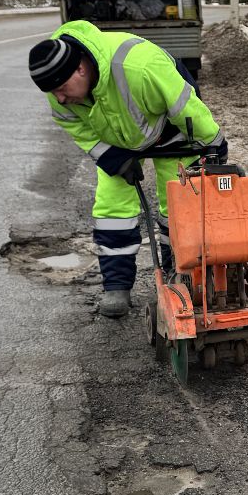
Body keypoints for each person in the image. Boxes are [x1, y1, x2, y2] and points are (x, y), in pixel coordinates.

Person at [28, 20, 225, 317]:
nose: (60, 99)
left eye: (62, 90)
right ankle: (116, 286)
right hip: (117, 142)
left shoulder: (139, 66)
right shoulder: (57, 86)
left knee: (178, 203)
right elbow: (77, 128)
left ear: (80, 69)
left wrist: (214, 144)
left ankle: (178, 272)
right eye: (54, 93)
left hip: (171, 131)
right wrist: (111, 157)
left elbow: (187, 107)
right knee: (112, 210)